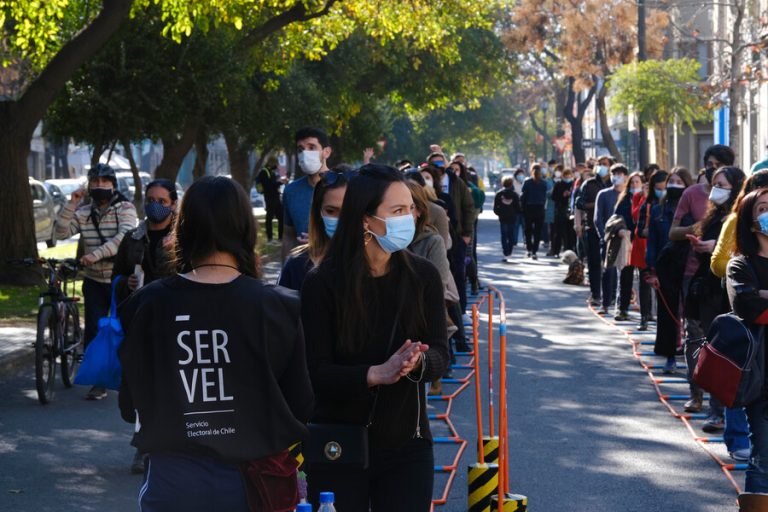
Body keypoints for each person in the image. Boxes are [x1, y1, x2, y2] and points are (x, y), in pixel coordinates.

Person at [118, 176, 314, 512]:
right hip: (254, 485)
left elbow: (129, 405)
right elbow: (301, 404)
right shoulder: (278, 307)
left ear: (183, 227)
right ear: (245, 228)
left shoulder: (147, 304)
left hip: (172, 483)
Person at [300, 164, 449, 510]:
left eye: (410, 208)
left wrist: (417, 362)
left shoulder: (423, 276)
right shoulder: (321, 283)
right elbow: (315, 372)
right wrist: (374, 374)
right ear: (365, 219)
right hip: (338, 443)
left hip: (407, 445)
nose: (409, 217)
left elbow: (441, 354)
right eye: (397, 211)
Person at [112, 179, 178, 474]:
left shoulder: (183, 238)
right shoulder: (133, 239)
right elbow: (117, 277)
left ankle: (148, 444)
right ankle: (146, 437)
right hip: (139, 321)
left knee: (165, 384)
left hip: (173, 322)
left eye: (162, 201)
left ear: (173, 204)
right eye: (150, 200)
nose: (155, 206)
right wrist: (125, 284)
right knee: (137, 388)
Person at [55, 163, 137, 400]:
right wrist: (72, 203)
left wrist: (96, 254)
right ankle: (99, 382)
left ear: (114, 185)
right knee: (94, 329)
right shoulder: (83, 213)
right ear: (89, 185)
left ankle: (128, 377)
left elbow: (124, 238)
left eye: (105, 182)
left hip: (119, 280)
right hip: (93, 280)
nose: (100, 186)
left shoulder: (126, 208)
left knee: (125, 328)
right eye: (95, 182)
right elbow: (61, 233)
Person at [684, 166, 745, 436]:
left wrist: (716, 250)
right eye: (713, 185)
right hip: (706, 287)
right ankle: (708, 404)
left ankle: (721, 412)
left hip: (726, 293)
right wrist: (704, 247)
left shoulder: (740, 218)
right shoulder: (715, 216)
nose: (715, 190)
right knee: (702, 345)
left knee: (723, 352)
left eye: (721, 185)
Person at [726, 188, 768, 506]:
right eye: (763, 208)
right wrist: (758, 298)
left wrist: (763, 294)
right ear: (751, 220)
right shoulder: (740, 265)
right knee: (764, 457)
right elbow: (750, 308)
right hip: (760, 374)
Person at [646, 168, 692, 372]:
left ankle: (694, 356)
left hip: (690, 265)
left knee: (691, 314)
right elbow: (652, 242)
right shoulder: (658, 211)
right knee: (668, 313)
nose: (674, 185)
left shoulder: (692, 211)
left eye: (679, 182)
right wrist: (651, 269)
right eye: (671, 181)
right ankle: (669, 355)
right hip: (665, 266)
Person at [278, 168, 353, 291]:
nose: (340, 219)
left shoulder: (376, 264)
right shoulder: (297, 264)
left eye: (348, 210)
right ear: (318, 213)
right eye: (330, 211)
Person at [282, 127, 332, 261]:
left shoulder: (343, 187)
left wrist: (323, 242)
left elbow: (357, 233)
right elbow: (288, 235)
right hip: (302, 268)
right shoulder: (291, 191)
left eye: (312, 148)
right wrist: (285, 267)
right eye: (300, 150)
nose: (305, 153)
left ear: (326, 152)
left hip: (337, 267)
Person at [633, 170, 669, 330]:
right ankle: (644, 316)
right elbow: (639, 230)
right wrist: (651, 230)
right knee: (645, 283)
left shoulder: (674, 204)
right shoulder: (647, 205)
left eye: (664, 188)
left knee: (664, 289)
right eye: (658, 188)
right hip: (649, 249)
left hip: (668, 252)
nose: (662, 192)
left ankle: (662, 320)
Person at [575, 156, 612, 307]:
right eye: (600, 164)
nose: (602, 166)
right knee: (595, 262)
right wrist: (596, 204)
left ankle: (611, 296)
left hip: (613, 230)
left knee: (611, 265)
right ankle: (596, 294)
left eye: (605, 164)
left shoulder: (615, 185)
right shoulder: (589, 184)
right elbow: (579, 203)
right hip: (593, 228)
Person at [593, 164, 629, 315]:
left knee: (625, 274)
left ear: (626, 177)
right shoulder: (603, 194)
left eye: (620, 174)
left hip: (626, 239)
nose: (616, 177)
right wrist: (605, 236)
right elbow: (597, 219)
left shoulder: (629, 196)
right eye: (614, 174)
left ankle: (621, 306)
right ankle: (605, 303)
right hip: (609, 240)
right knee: (608, 272)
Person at [612, 171, 646, 321]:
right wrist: (619, 230)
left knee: (645, 278)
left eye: (637, 182)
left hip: (642, 242)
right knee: (625, 277)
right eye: (632, 182)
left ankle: (647, 312)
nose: (634, 185)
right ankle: (622, 309)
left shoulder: (647, 200)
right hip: (626, 241)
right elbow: (615, 219)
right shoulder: (624, 200)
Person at [521, 164, 547, 259]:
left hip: (529, 208)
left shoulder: (527, 182)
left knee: (528, 230)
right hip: (540, 208)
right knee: (537, 231)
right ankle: (534, 251)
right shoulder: (543, 183)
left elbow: (523, 195)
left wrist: (522, 208)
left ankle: (529, 249)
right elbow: (545, 196)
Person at [255, 155, 284, 244]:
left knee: (281, 217)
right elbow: (268, 186)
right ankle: (270, 238)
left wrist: (279, 182)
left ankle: (280, 238)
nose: (277, 165)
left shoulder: (271, 171)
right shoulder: (265, 172)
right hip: (270, 198)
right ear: (272, 163)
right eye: (276, 163)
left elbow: (272, 183)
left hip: (276, 197)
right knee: (269, 218)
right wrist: (279, 183)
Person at [494, 177, 521, 261]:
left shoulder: (499, 194)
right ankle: (509, 251)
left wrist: (499, 213)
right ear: (511, 184)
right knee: (511, 235)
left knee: (504, 235)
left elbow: (495, 207)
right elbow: (518, 207)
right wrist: (516, 214)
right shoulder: (515, 195)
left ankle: (505, 251)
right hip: (512, 218)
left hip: (503, 217)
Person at [551, 167, 576, 257]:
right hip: (561, 210)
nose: (568, 177)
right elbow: (553, 197)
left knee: (570, 232)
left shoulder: (573, 184)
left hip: (571, 211)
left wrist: (570, 194)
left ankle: (569, 251)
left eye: (569, 175)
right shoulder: (558, 184)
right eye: (566, 176)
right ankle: (556, 251)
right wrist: (562, 195)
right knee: (559, 232)